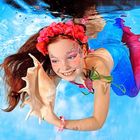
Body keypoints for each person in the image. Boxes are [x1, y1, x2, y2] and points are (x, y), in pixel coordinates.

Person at [0, 20, 139, 133]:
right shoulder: (58, 67)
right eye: (55, 60)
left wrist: (59, 122)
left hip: (116, 53)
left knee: (128, 92)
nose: (64, 67)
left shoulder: (100, 70)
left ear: (83, 51)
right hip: (97, 44)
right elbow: (48, 92)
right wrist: (45, 106)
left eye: (71, 57)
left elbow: (98, 121)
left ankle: (131, 40)